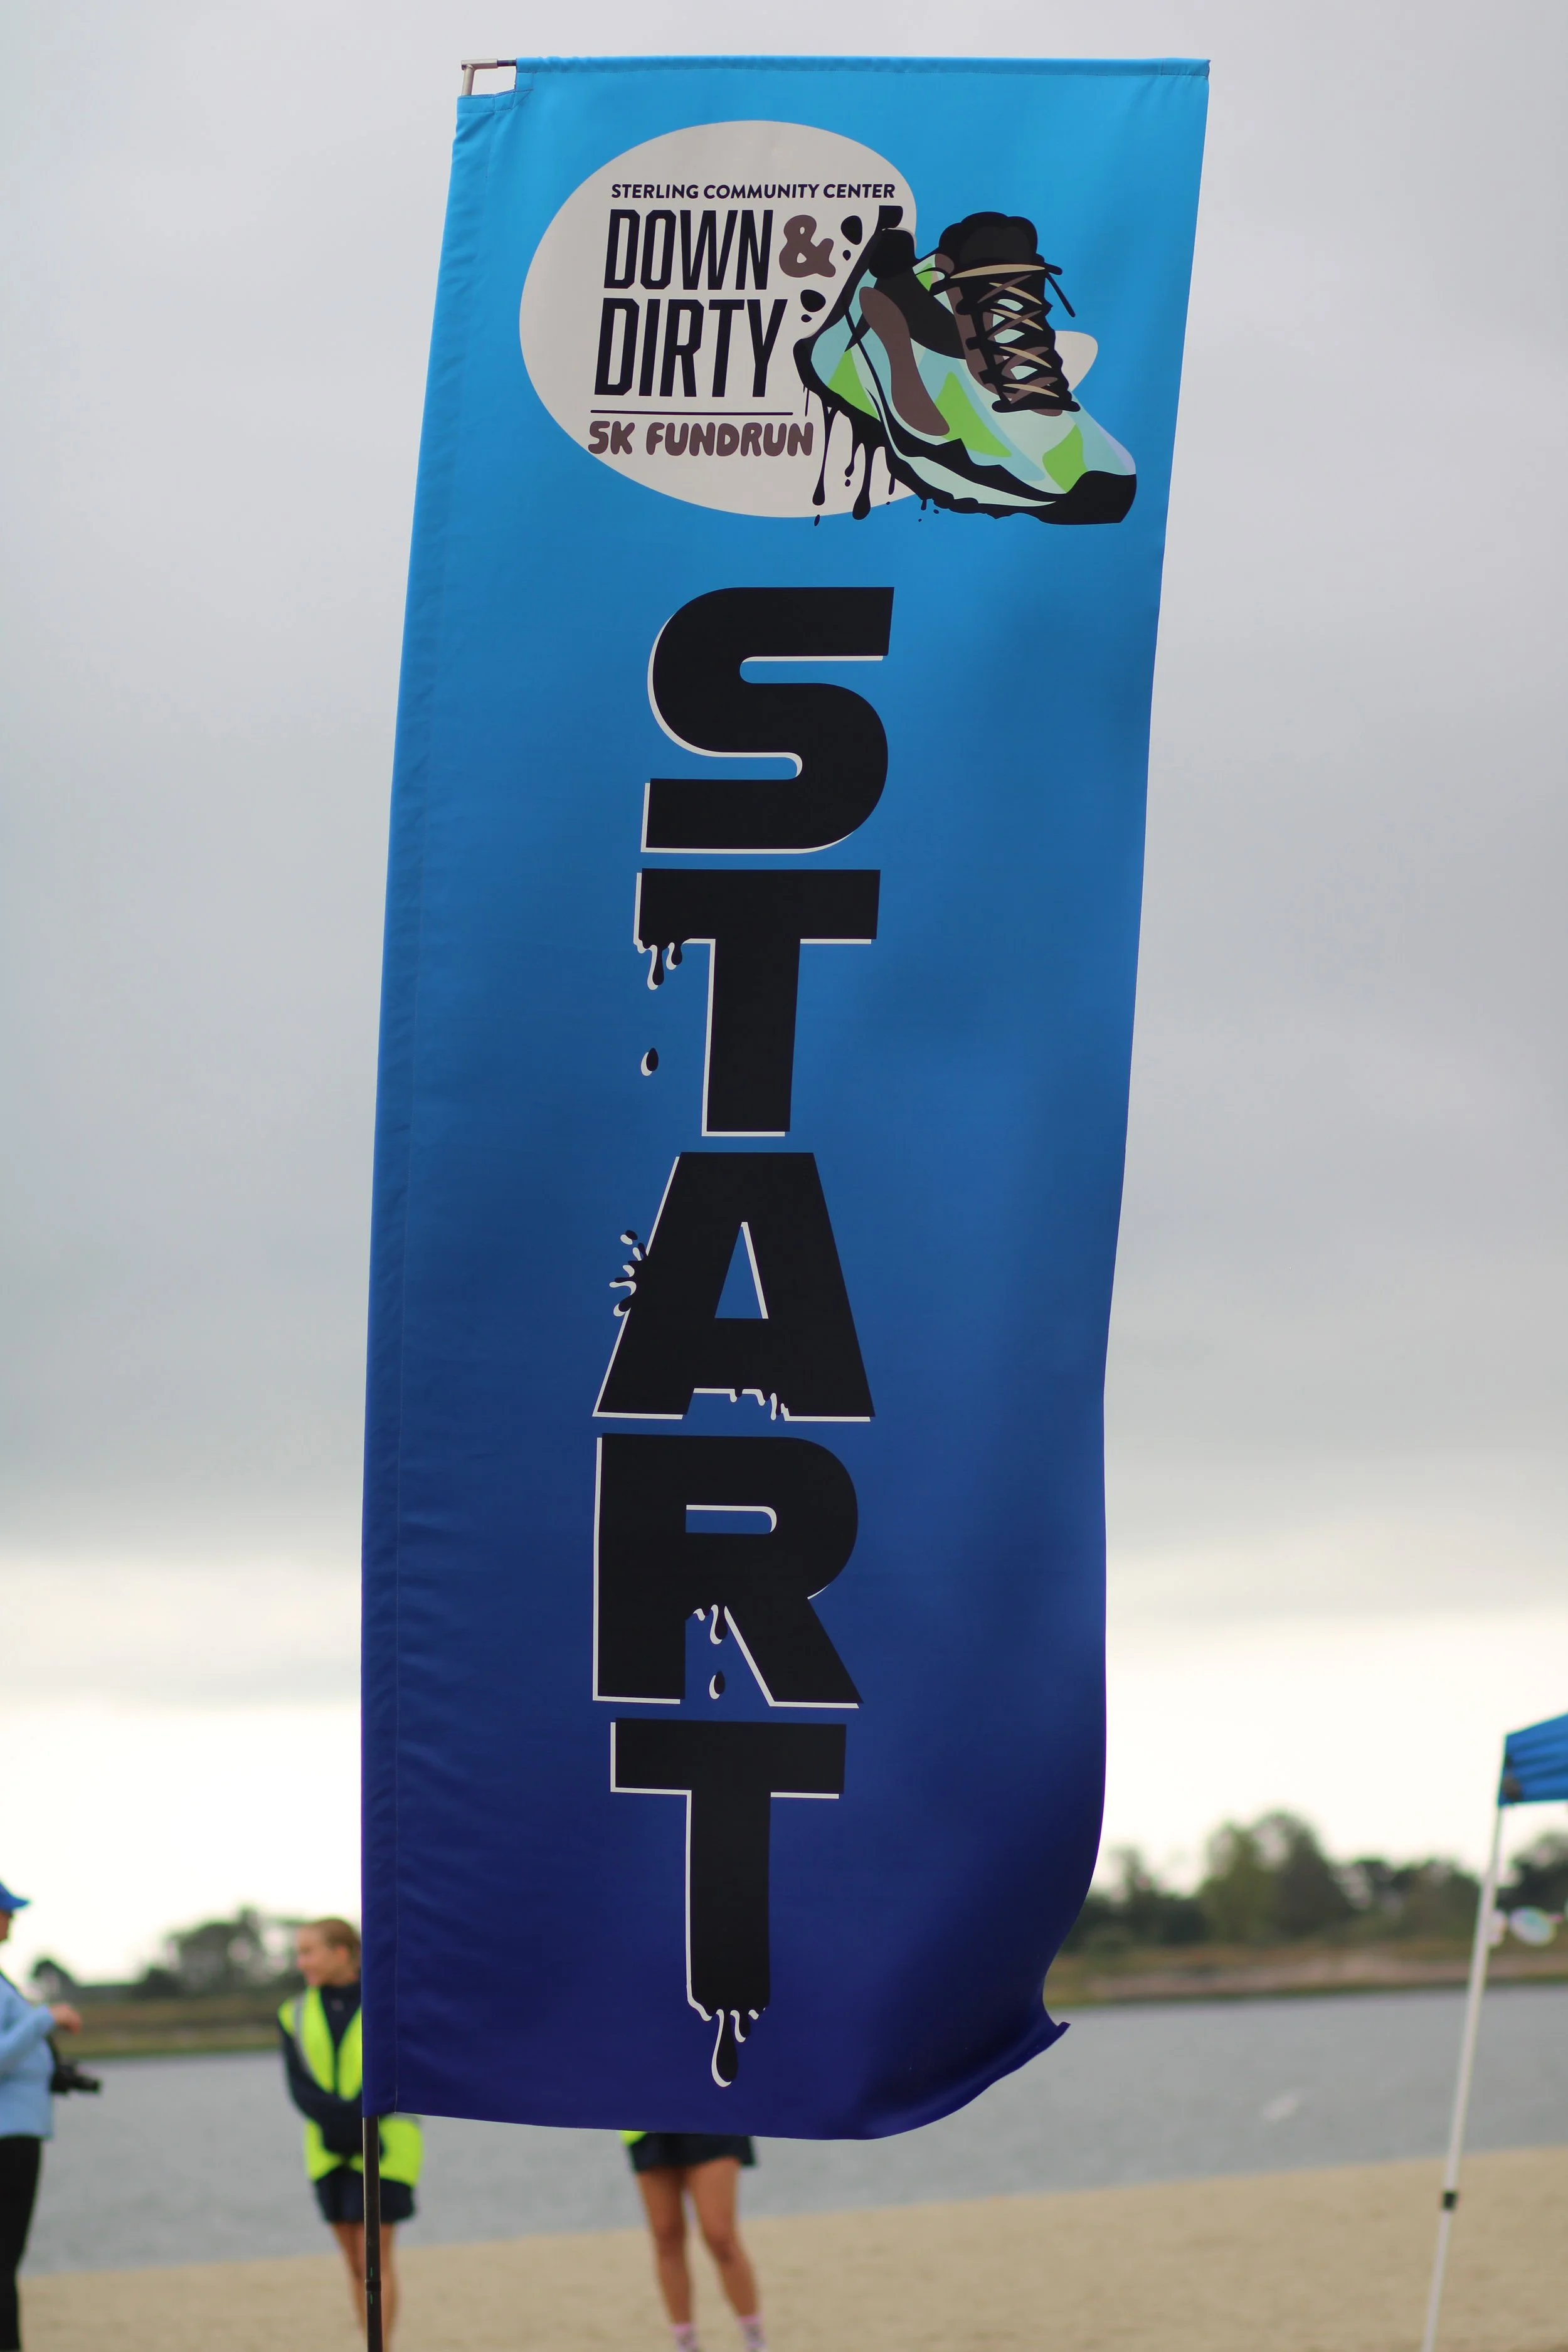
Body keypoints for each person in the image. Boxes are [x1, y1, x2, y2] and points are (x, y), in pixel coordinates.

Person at [278, 1918, 421, 2344]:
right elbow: (299, 2085)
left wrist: (363, 2123)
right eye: (299, 1953)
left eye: (309, 1951)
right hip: (327, 2150)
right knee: (355, 2267)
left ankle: (382, 2346)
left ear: (341, 1952)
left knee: (374, 2259)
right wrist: (340, 2127)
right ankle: (369, 2340)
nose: (301, 1962)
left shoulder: (390, 2003)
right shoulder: (294, 2013)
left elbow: (398, 2072)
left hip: (387, 2147)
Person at [0, 1882, 82, 2352]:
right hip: (7, 2139)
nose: (11, 1921)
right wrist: (44, 2020)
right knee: (3, 2261)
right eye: (5, 1912)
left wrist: (52, 2072)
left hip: (17, 2133)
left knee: (7, 2261)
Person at [622, 2131, 768, 2352]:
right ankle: (686, 2345)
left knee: (720, 2236)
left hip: (711, 2116)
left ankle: (755, 2342)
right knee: (666, 2235)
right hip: (649, 2122)